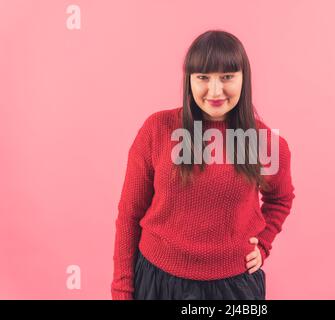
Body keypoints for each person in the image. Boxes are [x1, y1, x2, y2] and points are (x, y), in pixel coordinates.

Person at [111, 30, 295, 300]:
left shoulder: (266, 143)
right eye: (203, 78)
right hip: (157, 282)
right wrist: (122, 290)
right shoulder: (157, 130)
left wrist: (263, 244)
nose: (215, 90)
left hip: (234, 288)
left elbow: (281, 199)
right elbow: (129, 215)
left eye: (227, 77)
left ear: (244, 78)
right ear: (189, 81)